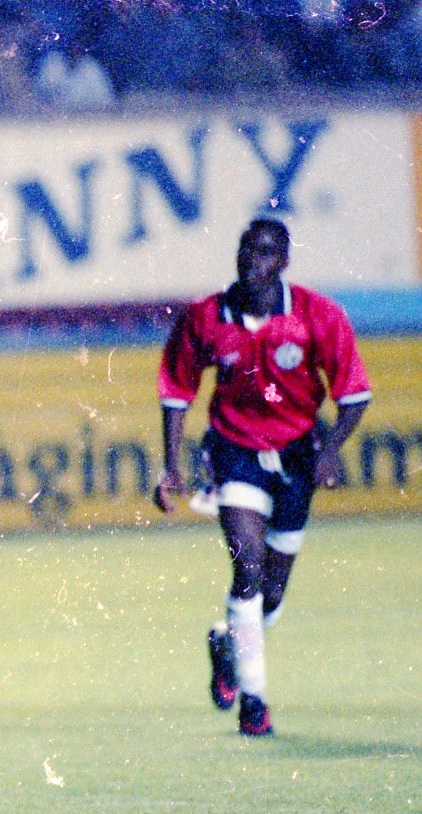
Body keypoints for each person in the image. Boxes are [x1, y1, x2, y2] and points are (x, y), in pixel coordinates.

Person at [153, 217, 371, 736]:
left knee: (269, 595)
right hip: (234, 450)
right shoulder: (206, 317)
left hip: (296, 455)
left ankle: (227, 641)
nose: (254, 261)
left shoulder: (317, 316)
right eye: (246, 250)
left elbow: (354, 395)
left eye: (266, 253)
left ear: (284, 262)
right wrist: (172, 465)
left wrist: (331, 451)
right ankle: (255, 703)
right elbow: (177, 390)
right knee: (245, 563)